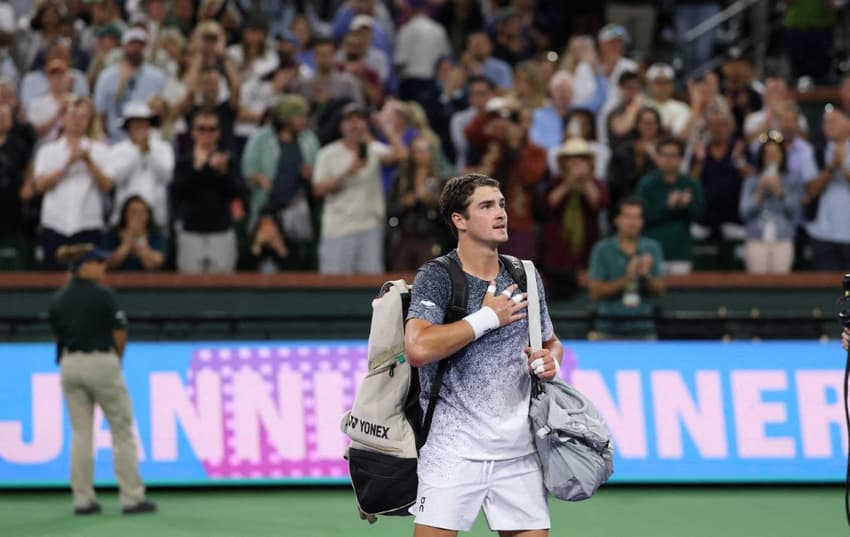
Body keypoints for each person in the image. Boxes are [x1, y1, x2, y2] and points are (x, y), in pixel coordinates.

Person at [404, 172, 562, 536]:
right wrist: (487, 318)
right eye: (487, 206)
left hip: (520, 452)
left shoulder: (525, 274)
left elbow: (551, 340)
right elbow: (418, 348)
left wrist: (550, 359)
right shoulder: (437, 275)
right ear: (459, 220)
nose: (501, 213)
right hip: (452, 450)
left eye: (501, 205)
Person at [49, 243, 156, 516]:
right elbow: (120, 332)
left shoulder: (59, 298)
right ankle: (132, 498)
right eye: (98, 262)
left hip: (69, 364)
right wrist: (115, 360)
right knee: (122, 431)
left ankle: (82, 500)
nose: (103, 266)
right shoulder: (104, 295)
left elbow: (57, 336)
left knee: (81, 434)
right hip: (101, 360)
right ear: (84, 266)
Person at [311, 102, 406, 274]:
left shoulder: (373, 149)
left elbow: (401, 155)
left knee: (370, 283)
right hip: (338, 228)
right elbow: (317, 190)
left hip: (369, 226)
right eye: (349, 120)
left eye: (359, 119)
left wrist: (385, 127)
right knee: (335, 282)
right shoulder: (328, 153)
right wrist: (346, 174)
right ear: (341, 125)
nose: (355, 124)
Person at [32, 95, 113, 270]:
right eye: (73, 116)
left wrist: (88, 161)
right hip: (55, 225)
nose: (77, 121)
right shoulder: (48, 151)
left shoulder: (100, 151)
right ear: (62, 118)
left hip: (87, 225)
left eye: (83, 117)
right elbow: (39, 186)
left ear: (88, 121)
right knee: (52, 278)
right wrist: (67, 164)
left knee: (88, 277)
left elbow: (107, 185)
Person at [171, 109, 246, 273]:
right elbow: (177, 194)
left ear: (218, 133)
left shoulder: (228, 160)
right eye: (201, 129)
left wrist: (223, 173)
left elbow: (240, 193)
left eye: (212, 129)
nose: (206, 134)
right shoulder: (184, 162)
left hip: (221, 232)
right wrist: (197, 169)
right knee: (189, 283)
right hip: (191, 232)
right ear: (193, 132)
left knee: (223, 283)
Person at [588, 197, 665, 340]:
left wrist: (645, 275)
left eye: (637, 217)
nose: (632, 222)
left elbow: (660, 291)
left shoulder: (653, 248)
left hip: (644, 329)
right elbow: (595, 291)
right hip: (608, 330)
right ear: (617, 220)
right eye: (628, 216)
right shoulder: (602, 249)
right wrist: (627, 278)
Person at [635, 137, 705, 275]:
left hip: (681, 252)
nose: (668, 159)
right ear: (657, 158)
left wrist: (686, 205)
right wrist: (667, 206)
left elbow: (701, 215)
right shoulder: (647, 184)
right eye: (664, 155)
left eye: (673, 155)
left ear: (681, 159)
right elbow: (641, 216)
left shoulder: (691, 183)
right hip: (651, 253)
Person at [739, 133, 803, 274]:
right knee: (756, 282)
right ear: (762, 157)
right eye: (768, 153)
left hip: (783, 238)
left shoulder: (792, 180)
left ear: (782, 155)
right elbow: (744, 212)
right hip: (756, 237)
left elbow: (794, 212)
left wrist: (779, 191)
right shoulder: (751, 181)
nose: (771, 157)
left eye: (775, 153)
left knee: (781, 282)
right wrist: (760, 191)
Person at [103, 196, 167, 271]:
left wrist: (139, 240)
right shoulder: (113, 234)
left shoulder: (155, 234)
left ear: (148, 215)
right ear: (125, 214)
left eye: (142, 212)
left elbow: (156, 263)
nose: (137, 216)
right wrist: (127, 242)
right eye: (133, 212)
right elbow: (108, 263)